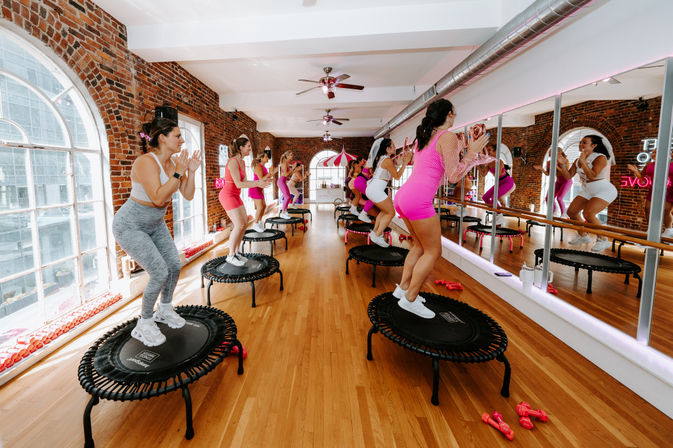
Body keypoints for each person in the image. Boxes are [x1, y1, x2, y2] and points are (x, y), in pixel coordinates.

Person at [393, 99, 490, 318]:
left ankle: (403, 289)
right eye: (454, 113)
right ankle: (410, 299)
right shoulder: (447, 136)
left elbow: (440, 169)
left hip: (403, 196)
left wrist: (467, 153)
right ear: (449, 115)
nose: (455, 117)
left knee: (418, 246)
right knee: (433, 251)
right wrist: (471, 152)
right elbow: (454, 176)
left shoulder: (425, 138)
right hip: (418, 200)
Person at [112, 117, 202, 346]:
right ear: (162, 138)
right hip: (130, 226)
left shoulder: (174, 164)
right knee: (159, 272)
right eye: (178, 136)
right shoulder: (145, 162)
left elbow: (189, 195)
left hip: (155, 224)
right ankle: (144, 323)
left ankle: (164, 309)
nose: (182, 140)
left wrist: (189, 172)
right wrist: (178, 173)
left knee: (174, 264)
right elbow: (159, 197)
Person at [560, 135, 617, 252]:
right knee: (571, 212)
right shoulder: (577, 160)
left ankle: (603, 240)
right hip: (588, 189)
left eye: (584, 142)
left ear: (594, 145)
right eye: (580, 142)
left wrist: (583, 162)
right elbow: (568, 176)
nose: (580, 144)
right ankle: (583, 236)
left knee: (588, 214)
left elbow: (592, 175)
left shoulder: (600, 158)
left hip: (604, 190)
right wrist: (563, 165)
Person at [219, 136, 270, 266]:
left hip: (235, 195)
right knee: (239, 225)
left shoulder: (242, 162)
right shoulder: (233, 162)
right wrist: (258, 182)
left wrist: (260, 182)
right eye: (248, 147)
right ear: (241, 148)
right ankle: (230, 255)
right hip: (228, 195)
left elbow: (246, 182)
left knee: (245, 223)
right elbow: (238, 184)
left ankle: (236, 253)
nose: (250, 149)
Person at [365, 138, 412, 247]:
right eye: (393, 146)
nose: (395, 148)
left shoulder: (383, 159)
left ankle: (375, 232)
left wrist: (398, 165)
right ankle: (377, 235)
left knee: (385, 211)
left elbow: (388, 174)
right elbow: (396, 176)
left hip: (373, 189)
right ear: (387, 148)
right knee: (391, 213)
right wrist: (404, 163)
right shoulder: (387, 160)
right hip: (375, 189)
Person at [626, 149, 673, 237]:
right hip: (654, 189)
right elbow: (642, 180)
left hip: (669, 189)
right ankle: (651, 229)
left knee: (666, 210)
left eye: (656, 152)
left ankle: (669, 230)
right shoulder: (649, 165)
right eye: (653, 152)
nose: (653, 154)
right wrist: (635, 171)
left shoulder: (670, 164)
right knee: (647, 208)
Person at [479, 143, 515, 226]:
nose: (488, 152)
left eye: (490, 150)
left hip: (507, 182)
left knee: (494, 197)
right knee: (485, 197)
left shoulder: (499, 161)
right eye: (487, 151)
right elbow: (483, 174)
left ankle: (499, 216)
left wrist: (486, 162)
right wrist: (478, 165)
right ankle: (497, 215)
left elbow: (498, 174)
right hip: (499, 182)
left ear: (495, 152)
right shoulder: (488, 163)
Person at [534, 147, 572, 217]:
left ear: (559, 152)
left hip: (566, 181)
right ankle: (554, 212)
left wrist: (556, 167)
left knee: (559, 198)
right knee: (548, 198)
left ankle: (563, 214)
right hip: (558, 181)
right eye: (549, 152)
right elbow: (548, 174)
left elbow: (565, 173)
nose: (549, 153)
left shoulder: (564, 160)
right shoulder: (549, 162)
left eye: (550, 152)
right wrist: (541, 169)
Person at [249, 151, 276, 233]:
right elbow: (261, 179)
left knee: (264, 206)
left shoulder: (263, 167)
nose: (267, 158)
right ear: (261, 158)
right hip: (255, 188)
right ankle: (255, 224)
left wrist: (272, 174)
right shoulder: (258, 167)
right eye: (266, 157)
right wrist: (271, 172)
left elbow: (265, 178)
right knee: (260, 207)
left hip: (259, 189)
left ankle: (259, 222)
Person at [277, 150, 295, 219]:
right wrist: (292, 168)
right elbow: (285, 174)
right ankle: (283, 213)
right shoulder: (284, 163)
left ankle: (285, 211)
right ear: (287, 156)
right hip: (281, 181)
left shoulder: (287, 163)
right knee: (287, 197)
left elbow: (288, 175)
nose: (292, 156)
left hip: (283, 181)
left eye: (292, 155)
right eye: (291, 155)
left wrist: (293, 169)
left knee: (289, 197)